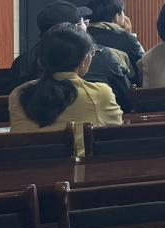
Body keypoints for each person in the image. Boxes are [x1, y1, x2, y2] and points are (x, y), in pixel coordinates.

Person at [9, 23, 123, 157]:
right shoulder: (100, 93)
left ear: (41, 60)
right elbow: (116, 134)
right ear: (84, 60)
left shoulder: (18, 94)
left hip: (29, 168)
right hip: (80, 169)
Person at [8, 1, 133, 110]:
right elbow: (126, 100)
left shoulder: (21, 63)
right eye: (83, 22)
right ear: (74, 29)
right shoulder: (104, 57)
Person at [86, 0, 146, 83]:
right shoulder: (127, 41)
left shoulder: (82, 36)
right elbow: (142, 71)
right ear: (117, 16)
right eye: (123, 12)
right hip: (118, 89)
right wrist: (130, 36)